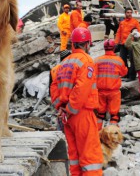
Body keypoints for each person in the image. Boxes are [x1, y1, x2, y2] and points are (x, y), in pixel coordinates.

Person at [50, 27, 103, 175]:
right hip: (82, 114)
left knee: (74, 158)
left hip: (67, 118)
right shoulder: (86, 61)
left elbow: (54, 87)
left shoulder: (63, 63)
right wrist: (70, 109)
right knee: (90, 158)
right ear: (87, 44)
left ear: (72, 44)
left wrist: (60, 108)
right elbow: (81, 89)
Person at [95, 39, 127, 130]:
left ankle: (97, 135)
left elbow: (92, 74)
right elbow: (124, 73)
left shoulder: (97, 60)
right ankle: (112, 137)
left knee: (100, 114)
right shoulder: (118, 60)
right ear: (114, 48)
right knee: (114, 116)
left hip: (100, 91)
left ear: (104, 48)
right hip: (114, 92)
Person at [115, 8, 140, 81]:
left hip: (131, 44)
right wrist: (116, 42)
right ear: (125, 13)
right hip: (123, 44)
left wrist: (138, 42)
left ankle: (132, 76)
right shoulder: (122, 22)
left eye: (130, 12)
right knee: (123, 60)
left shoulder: (135, 22)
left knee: (132, 60)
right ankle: (125, 74)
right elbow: (118, 33)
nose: (129, 14)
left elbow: (139, 32)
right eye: (128, 12)